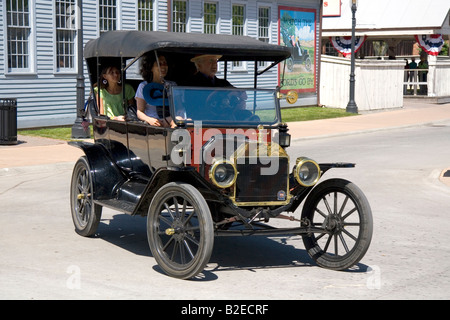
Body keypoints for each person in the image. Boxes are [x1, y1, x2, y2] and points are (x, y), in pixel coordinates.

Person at [135, 54, 174, 127]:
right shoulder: (143, 86)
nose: (163, 66)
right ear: (151, 67)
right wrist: (149, 120)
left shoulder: (172, 85)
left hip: (169, 118)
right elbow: (139, 112)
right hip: (153, 121)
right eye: (159, 64)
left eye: (165, 63)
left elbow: (179, 108)